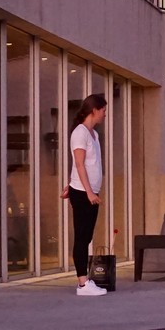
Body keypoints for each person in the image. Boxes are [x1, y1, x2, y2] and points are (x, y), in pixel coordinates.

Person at [69, 93, 109, 296]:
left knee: (87, 236)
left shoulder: (94, 135)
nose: (105, 114)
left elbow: (88, 165)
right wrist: (88, 192)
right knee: (82, 236)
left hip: (88, 191)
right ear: (94, 110)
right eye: (103, 110)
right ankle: (83, 283)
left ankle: (85, 281)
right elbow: (79, 164)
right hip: (84, 193)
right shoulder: (80, 133)